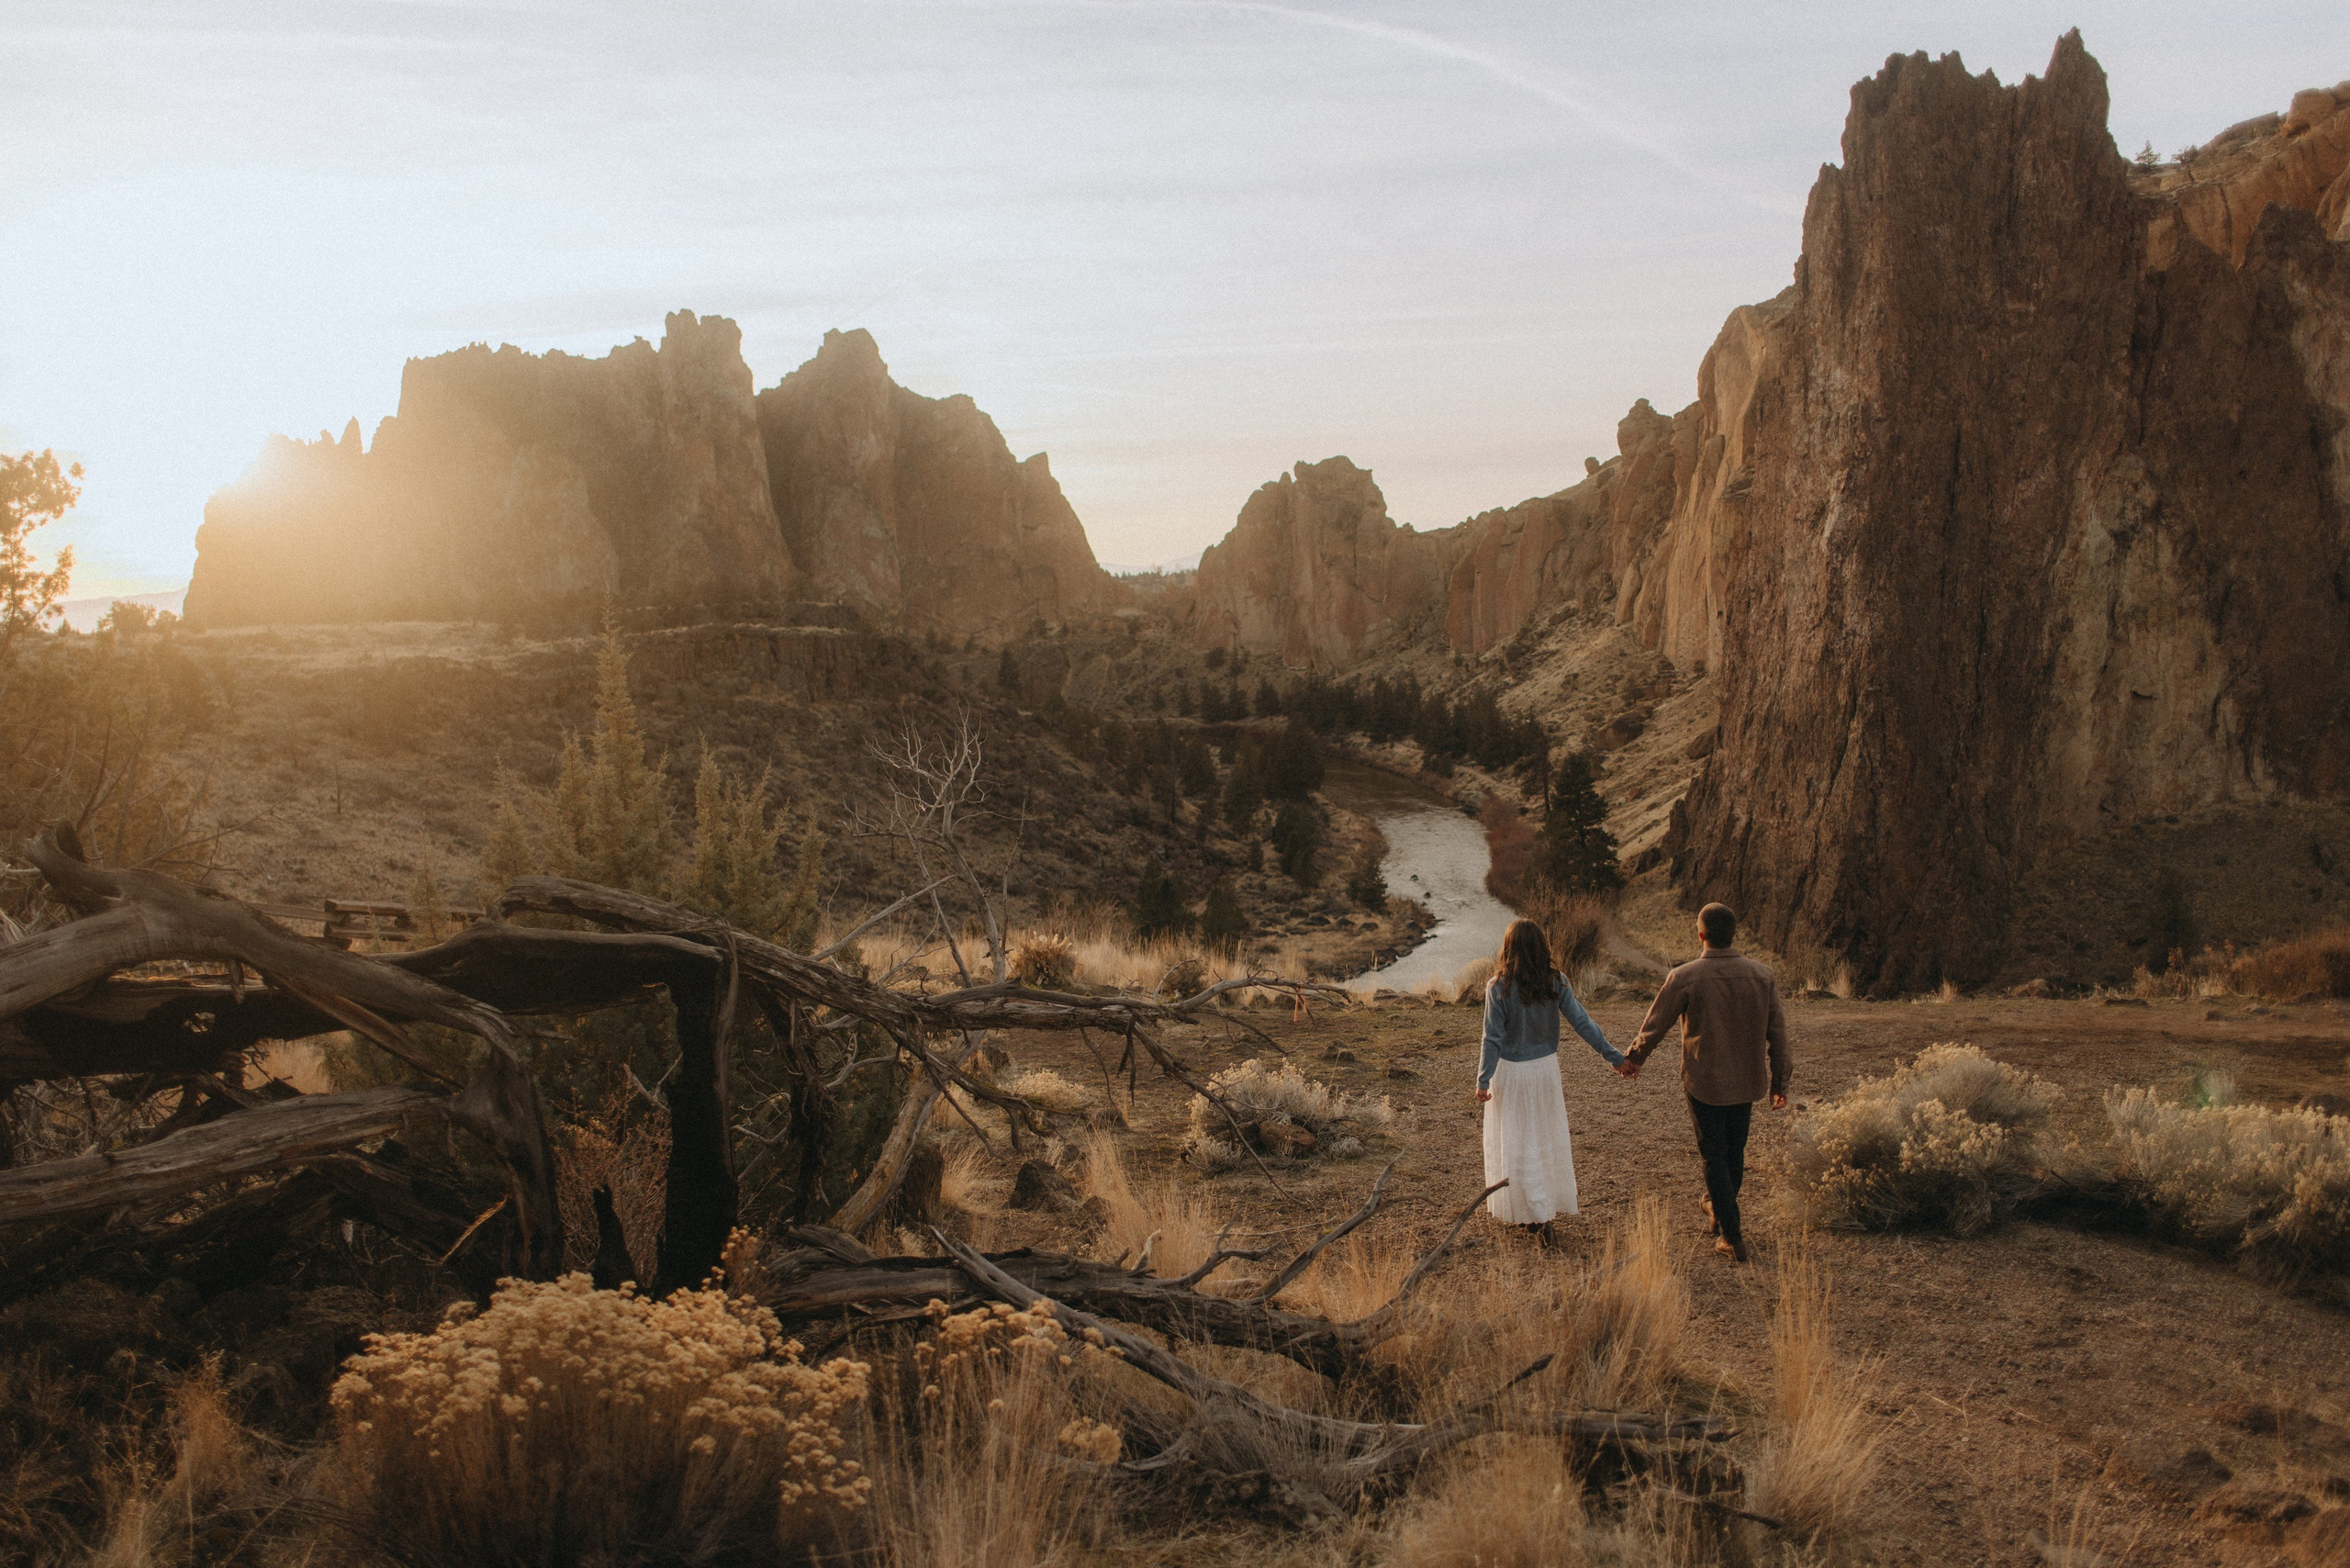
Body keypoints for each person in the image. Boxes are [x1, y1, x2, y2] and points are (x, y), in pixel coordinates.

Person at [1623, 902, 1791, 1263]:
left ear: (1701, 935)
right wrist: (1781, 1080)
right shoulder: (1762, 976)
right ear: (1734, 934)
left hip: (1704, 1081)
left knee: (1714, 1155)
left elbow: (1655, 1025)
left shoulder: (1686, 976)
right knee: (1734, 1151)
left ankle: (1732, 1236)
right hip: (1747, 1079)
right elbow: (1778, 1033)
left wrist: (1634, 1058)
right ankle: (1718, 1207)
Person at [1476, 917, 1634, 1241]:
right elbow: (1583, 1023)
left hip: (1512, 1073)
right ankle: (1541, 1210)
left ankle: (1532, 1212)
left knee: (1518, 1141)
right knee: (1544, 1138)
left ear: (1508, 949)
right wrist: (1615, 1057)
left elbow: (1491, 1039)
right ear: (1541, 947)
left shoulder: (1498, 987)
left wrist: (1483, 1079)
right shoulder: (1556, 982)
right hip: (1545, 1070)